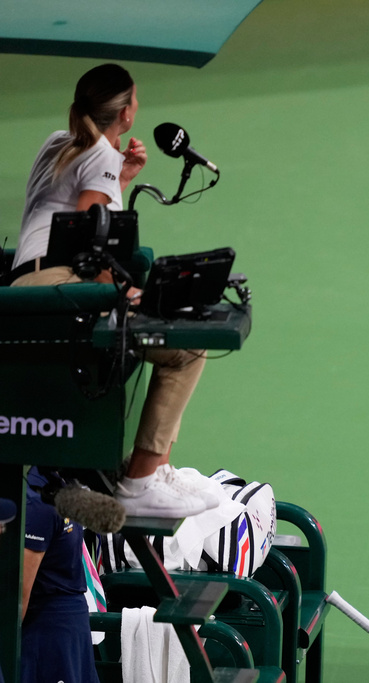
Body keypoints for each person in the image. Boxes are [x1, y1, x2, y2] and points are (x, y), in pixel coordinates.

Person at [9, 64, 216, 519]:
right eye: (134, 100)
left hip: (30, 288)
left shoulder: (57, 143)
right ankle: (142, 480)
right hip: (63, 291)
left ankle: (156, 473)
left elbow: (68, 212)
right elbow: (86, 240)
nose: (137, 106)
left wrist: (120, 179)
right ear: (125, 113)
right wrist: (125, 293)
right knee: (185, 346)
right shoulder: (99, 154)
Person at [21, 468, 99, 683]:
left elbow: (20, 595)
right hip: (64, 625)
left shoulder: (38, 502)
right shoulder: (60, 489)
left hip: (49, 632)